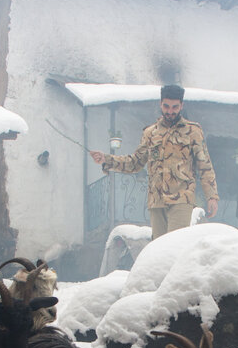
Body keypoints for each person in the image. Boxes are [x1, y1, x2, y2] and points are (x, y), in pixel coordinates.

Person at [90, 85, 219, 240]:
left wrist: (211, 196)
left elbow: (204, 165)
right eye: (166, 106)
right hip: (156, 201)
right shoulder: (150, 133)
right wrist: (107, 159)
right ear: (160, 104)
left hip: (181, 198)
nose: (170, 111)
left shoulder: (193, 132)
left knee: (174, 244)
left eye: (174, 107)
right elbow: (135, 162)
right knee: (158, 250)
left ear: (181, 106)